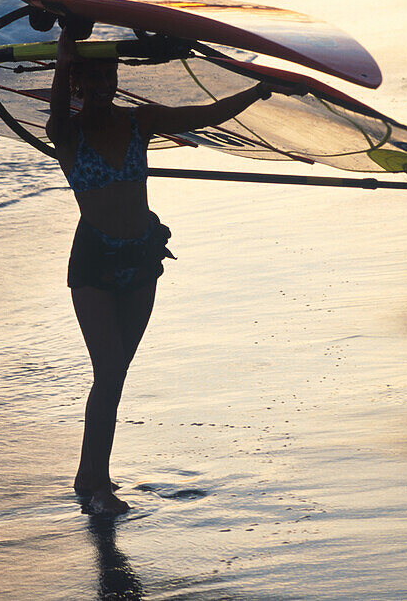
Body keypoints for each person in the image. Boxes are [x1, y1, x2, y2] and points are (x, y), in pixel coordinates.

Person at [46, 27, 274, 516]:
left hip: (142, 256)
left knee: (115, 374)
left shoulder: (139, 121)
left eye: (110, 73)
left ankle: (88, 473)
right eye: (94, 76)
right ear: (80, 83)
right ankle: (99, 487)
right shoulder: (65, 133)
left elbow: (205, 117)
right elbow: (57, 108)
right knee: (107, 373)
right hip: (93, 261)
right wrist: (65, 60)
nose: (105, 83)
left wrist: (259, 89)